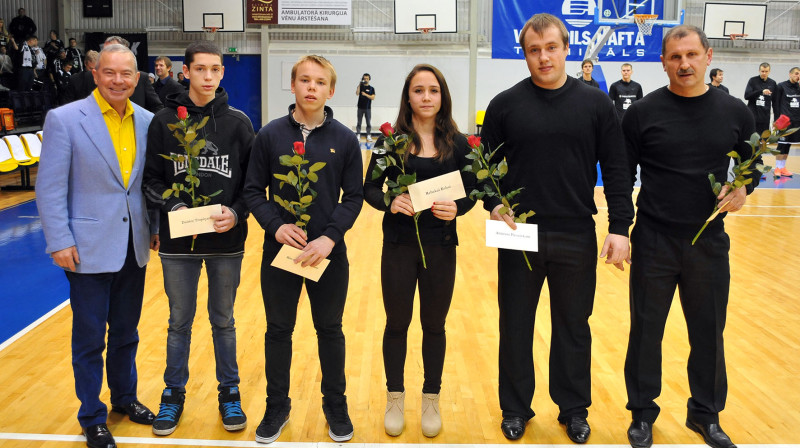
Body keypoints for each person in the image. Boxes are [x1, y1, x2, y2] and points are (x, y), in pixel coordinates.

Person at [480, 13, 633, 444]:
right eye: (534, 50)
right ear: (525, 54)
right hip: (518, 232)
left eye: (551, 47)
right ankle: (515, 408)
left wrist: (620, 226)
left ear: (567, 49)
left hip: (575, 233)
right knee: (515, 325)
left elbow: (618, 170)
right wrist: (492, 203)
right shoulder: (504, 105)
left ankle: (573, 410)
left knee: (573, 325)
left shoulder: (596, 104)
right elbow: (482, 171)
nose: (543, 57)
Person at [622, 25, 760, 448]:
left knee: (708, 332)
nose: (684, 64)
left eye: (691, 55)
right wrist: (620, 230)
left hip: (709, 242)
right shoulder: (641, 113)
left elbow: (752, 164)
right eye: (675, 57)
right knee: (646, 332)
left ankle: (705, 414)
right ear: (663, 62)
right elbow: (621, 175)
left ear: (708, 56)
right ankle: (642, 414)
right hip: (653, 240)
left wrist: (743, 188)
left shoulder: (736, 111)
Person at [35, 43, 157, 448]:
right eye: (109, 73)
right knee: (89, 338)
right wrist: (60, 240)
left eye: (126, 74)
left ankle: (125, 399)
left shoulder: (148, 121)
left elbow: (147, 186)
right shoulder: (65, 119)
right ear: (95, 73)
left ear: (137, 78)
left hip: (133, 245)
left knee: (127, 333)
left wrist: (153, 227)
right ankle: (92, 415)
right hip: (85, 248)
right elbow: (50, 188)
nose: (118, 80)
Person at [243, 54, 363, 444]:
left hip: (327, 254)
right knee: (278, 329)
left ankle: (335, 404)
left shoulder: (345, 139)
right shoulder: (269, 135)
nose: (311, 87)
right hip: (280, 253)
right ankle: (277, 405)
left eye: (319, 82)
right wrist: (275, 227)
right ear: (293, 85)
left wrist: (329, 237)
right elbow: (251, 191)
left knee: (330, 329)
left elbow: (354, 197)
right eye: (304, 80)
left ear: (331, 90)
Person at [143, 40, 255, 437]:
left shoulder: (239, 124)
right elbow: (151, 181)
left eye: (215, 69)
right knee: (179, 322)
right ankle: (173, 394)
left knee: (223, 321)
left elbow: (251, 186)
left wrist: (237, 212)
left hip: (226, 242)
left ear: (222, 73)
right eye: (200, 69)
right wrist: (171, 210)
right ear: (185, 71)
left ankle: (230, 391)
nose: (209, 76)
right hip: (178, 245)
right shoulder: (163, 122)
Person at [363, 64, 476, 438]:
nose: (426, 97)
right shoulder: (390, 142)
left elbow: (473, 190)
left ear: (442, 96)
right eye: (418, 90)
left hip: (441, 247)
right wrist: (390, 201)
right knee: (396, 324)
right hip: (397, 246)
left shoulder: (458, 143)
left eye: (433, 90)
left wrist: (458, 207)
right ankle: (395, 396)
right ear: (407, 97)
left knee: (434, 325)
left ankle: (431, 397)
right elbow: (370, 190)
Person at [772, 67, 800, 177]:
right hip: (784, 121)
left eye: (799, 74)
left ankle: (783, 167)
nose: (798, 76)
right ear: (790, 74)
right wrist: (777, 120)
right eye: (796, 74)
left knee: (788, 145)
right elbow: (776, 103)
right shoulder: (781, 86)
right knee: (782, 144)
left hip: (796, 121)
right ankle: (777, 167)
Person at [744, 62, 777, 135]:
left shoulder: (772, 83)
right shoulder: (752, 80)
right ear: (759, 71)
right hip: (753, 115)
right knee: (752, 138)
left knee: (763, 140)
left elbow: (775, 102)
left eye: (766, 71)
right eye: (762, 71)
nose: (764, 73)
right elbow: (747, 96)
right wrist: (761, 91)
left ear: (769, 71)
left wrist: (776, 119)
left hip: (765, 116)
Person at [355, 72, 375, 141]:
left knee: (368, 122)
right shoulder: (361, 87)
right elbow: (357, 93)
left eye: (367, 78)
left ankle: (368, 135)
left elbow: (373, 97)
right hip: (360, 107)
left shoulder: (371, 88)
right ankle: (358, 134)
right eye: (364, 78)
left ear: (369, 79)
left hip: (367, 108)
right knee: (359, 122)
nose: (365, 79)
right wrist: (359, 85)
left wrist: (365, 94)